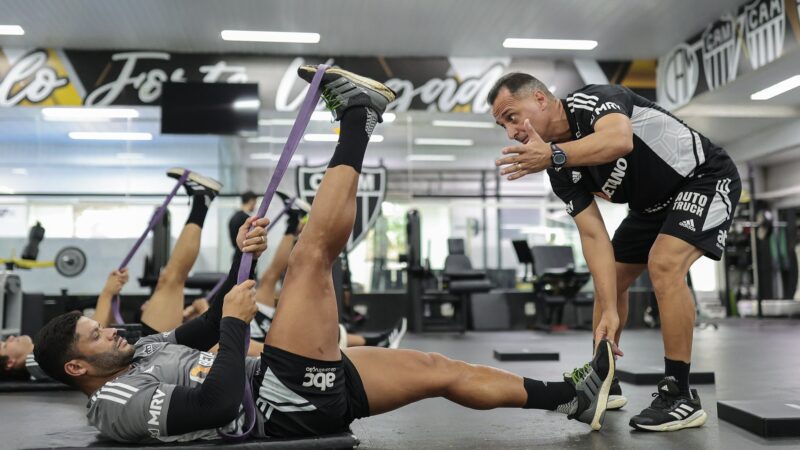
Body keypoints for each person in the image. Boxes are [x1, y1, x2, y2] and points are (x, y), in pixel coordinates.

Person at [32, 66, 615, 444]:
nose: (111, 332)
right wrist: (236, 326)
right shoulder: (113, 404)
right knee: (312, 257)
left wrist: (248, 262)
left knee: (442, 371)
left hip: (288, 380)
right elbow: (213, 405)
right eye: (96, 336)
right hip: (277, 407)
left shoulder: (142, 347)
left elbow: (210, 322)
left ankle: (572, 394)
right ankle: (360, 117)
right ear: (77, 369)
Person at [488, 73, 741, 431]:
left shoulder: (594, 101)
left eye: (512, 117)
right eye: (503, 126)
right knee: (611, 281)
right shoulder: (559, 169)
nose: (511, 132)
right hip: (650, 207)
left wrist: (555, 155)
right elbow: (593, 237)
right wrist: (609, 308)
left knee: (664, 264)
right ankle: (604, 381)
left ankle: (680, 395)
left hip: (704, 177)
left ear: (541, 99)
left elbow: (618, 140)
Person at [0, 169, 221, 381]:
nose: (9, 337)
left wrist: (112, 295)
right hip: (140, 354)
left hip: (135, 347)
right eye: (3, 345)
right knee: (172, 280)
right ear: (10, 363)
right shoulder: (36, 362)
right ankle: (202, 200)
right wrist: (107, 293)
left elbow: (94, 338)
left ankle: (202, 201)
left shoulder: (41, 359)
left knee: (171, 281)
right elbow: (88, 339)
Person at [252, 206, 406, 349]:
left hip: (258, 327)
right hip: (271, 347)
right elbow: (252, 352)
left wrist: (292, 225)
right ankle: (377, 343)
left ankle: (377, 342)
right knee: (311, 331)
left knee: (269, 281)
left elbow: (272, 274)